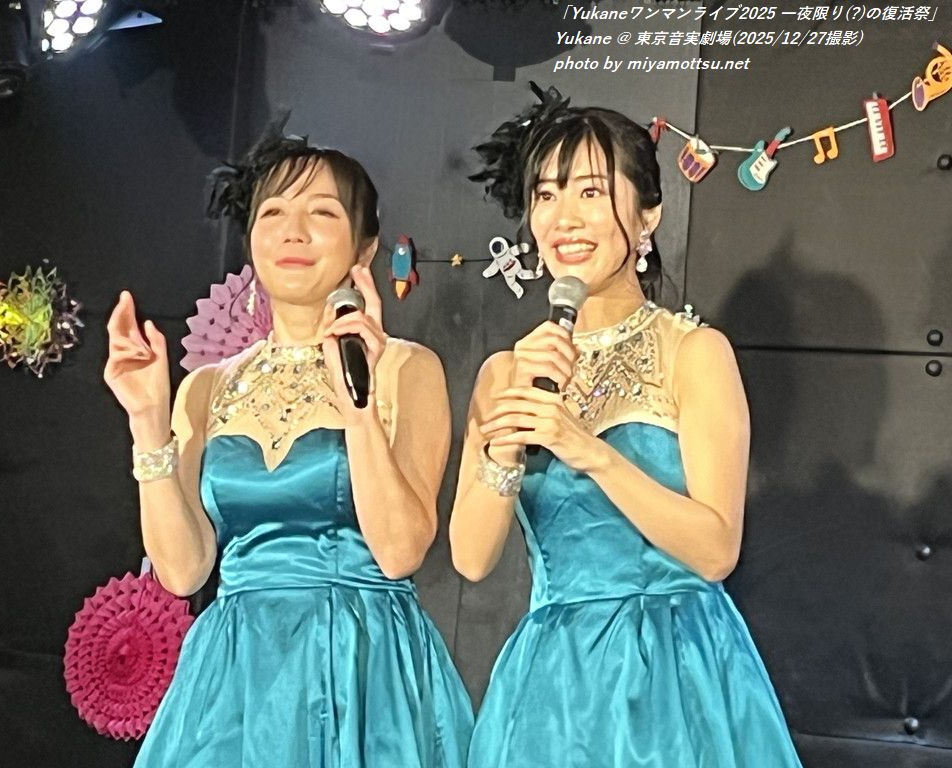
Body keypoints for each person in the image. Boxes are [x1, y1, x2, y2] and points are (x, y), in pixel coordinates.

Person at [451, 88, 803, 767]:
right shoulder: (507, 371)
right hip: (553, 686)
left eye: (591, 191)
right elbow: (470, 558)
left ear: (648, 216)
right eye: (546, 195)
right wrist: (507, 441)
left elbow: (715, 551)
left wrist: (586, 450)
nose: (564, 217)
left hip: (674, 673)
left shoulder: (692, 353)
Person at [103, 129, 473, 767]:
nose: (292, 232)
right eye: (272, 213)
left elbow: (399, 552)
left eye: (322, 213)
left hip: (363, 666)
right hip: (237, 676)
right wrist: (147, 423)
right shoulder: (206, 387)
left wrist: (357, 405)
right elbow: (184, 572)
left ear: (365, 246)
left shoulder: (406, 369)